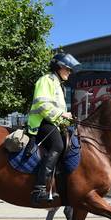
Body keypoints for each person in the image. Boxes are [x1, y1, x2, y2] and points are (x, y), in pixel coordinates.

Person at [27, 52, 80, 204]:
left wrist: (68, 120)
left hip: (53, 122)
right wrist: (62, 114)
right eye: (68, 69)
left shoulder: (58, 85)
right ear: (59, 67)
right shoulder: (46, 80)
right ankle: (39, 189)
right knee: (57, 145)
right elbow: (42, 104)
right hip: (41, 123)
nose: (69, 73)